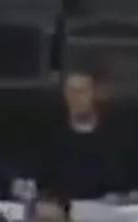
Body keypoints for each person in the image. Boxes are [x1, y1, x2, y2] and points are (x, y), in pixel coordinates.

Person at [40, 63, 132, 199]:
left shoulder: (120, 138)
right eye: (70, 91)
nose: (75, 98)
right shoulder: (50, 139)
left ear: (95, 93)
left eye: (82, 91)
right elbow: (44, 185)